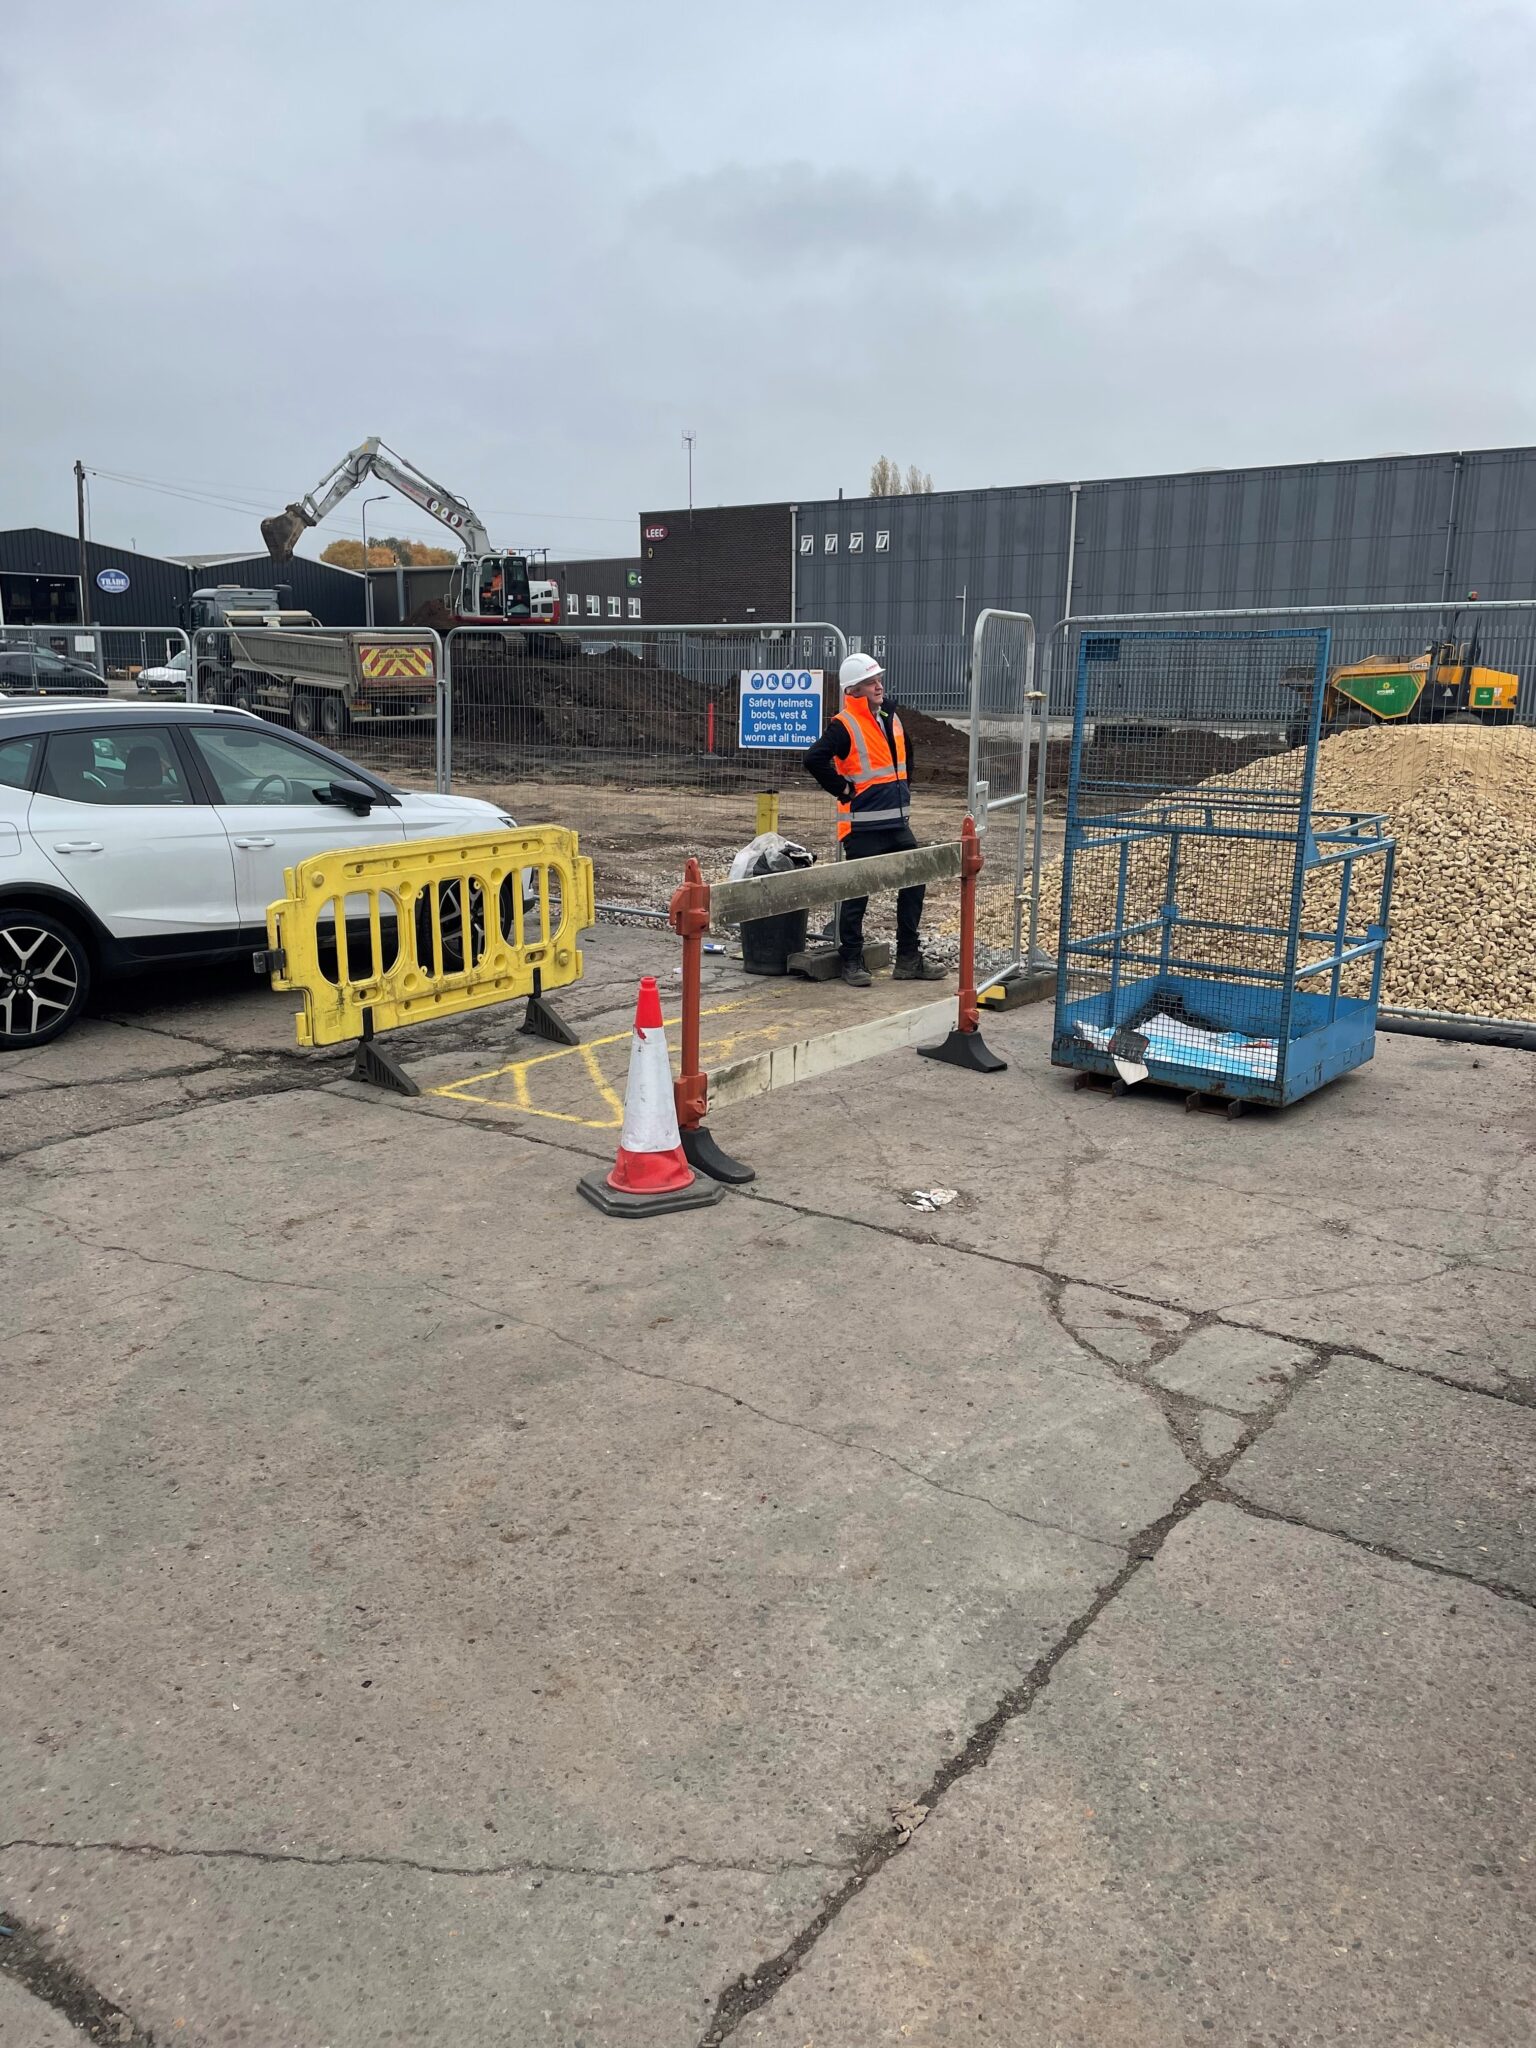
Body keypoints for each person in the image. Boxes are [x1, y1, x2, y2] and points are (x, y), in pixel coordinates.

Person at [803, 651, 947, 987]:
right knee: (858, 892)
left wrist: (903, 790)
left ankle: (908, 958)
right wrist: (842, 789)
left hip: (896, 823)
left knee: (915, 880)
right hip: (863, 825)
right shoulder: (844, 725)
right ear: (853, 690)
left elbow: (905, 757)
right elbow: (814, 759)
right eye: (870, 682)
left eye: (878, 679)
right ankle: (851, 960)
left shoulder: (890, 717)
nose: (878, 685)